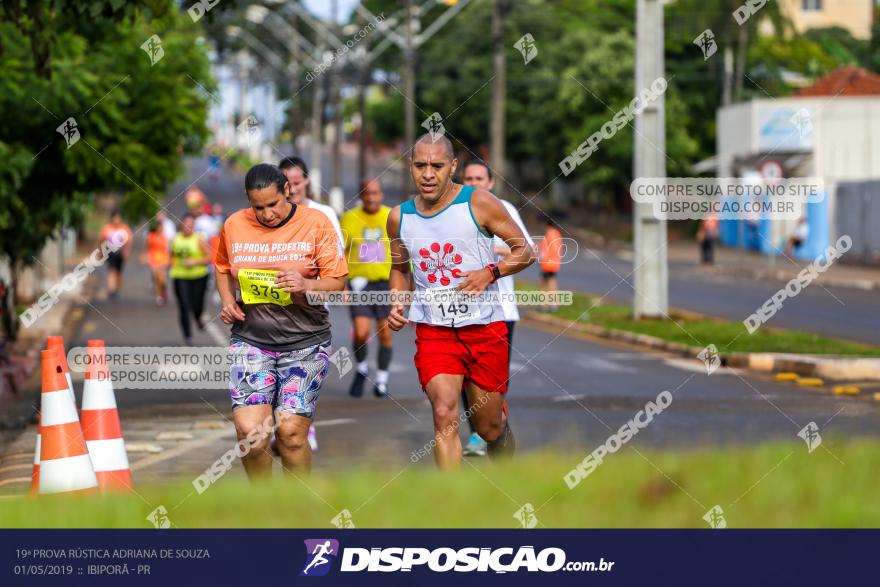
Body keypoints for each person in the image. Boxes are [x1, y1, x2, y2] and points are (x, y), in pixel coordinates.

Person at [386, 134, 534, 469]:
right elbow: (398, 269)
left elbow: (526, 250)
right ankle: (449, 510)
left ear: (452, 166)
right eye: (420, 165)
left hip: (484, 328)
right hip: (435, 331)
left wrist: (490, 273)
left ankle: (506, 467)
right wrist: (398, 304)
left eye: (436, 166)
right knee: (444, 412)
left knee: (488, 426)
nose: (428, 174)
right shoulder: (399, 217)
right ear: (410, 166)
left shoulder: (479, 203)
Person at [214, 163, 347, 476]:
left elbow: (337, 282)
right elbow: (221, 266)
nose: (266, 214)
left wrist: (307, 285)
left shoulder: (316, 223)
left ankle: (296, 511)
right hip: (252, 340)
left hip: (305, 342)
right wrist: (226, 300)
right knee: (250, 433)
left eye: (272, 204)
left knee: (290, 433)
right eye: (257, 207)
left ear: (287, 191)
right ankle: (263, 510)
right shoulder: (234, 224)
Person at [459, 160, 535, 457]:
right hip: (462, 310)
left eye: (479, 178)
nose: (474, 182)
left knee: (492, 380)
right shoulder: (455, 209)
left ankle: (494, 429)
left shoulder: (502, 208)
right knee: (464, 379)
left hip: (500, 310)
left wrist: (488, 252)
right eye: (469, 178)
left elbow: (527, 248)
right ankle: (478, 432)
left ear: (490, 182)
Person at [340, 178, 394, 398]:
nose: (371, 197)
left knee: (385, 334)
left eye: (375, 193)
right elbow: (339, 253)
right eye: (367, 193)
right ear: (361, 196)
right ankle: (362, 369)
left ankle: (382, 379)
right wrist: (342, 285)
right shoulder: (349, 218)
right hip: (359, 284)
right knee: (361, 332)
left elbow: (404, 251)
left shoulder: (392, 216)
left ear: (381, 195)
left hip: (386, 284)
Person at [278, 156, 344, 255]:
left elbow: (339, 252)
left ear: (306, 180)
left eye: (296, 183)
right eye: (287, 185)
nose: (292, 190)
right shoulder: (275, 216)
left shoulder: (326, 213)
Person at [169, 214, 212, 345]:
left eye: (191, 225)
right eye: (186, 224)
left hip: (199, 276)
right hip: (180, 276)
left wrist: (195, 261)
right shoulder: (175, 239)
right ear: (181, 225)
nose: (188, 227)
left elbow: (209, 257)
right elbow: (170, 256)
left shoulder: (199, 239)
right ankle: (188, 336)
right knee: (184, 305)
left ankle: (198, 317)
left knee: (196, 305)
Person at [99, 211, 132, 300]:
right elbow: (101, 241)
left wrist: (126, 252)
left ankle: (117, 288)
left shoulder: (124, 228)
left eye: (118, 218)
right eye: (115, 218)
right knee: (111, 271)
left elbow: (129, 241)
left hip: (120, 253)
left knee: (118, 272)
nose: (116, 220)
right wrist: (101, 252)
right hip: (110, 252)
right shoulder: (107, 228)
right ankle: (111, 289)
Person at [143, 220, 170, 306]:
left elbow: (167, 249)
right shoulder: (150, 236)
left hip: (163, 259)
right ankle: (159, 297)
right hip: (153, 260)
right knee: (156, 279)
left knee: (162, 280)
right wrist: (146, 256)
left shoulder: (164, 237)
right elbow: (148, 248)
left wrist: (168, 260)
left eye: (161, 227)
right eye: (159, 227)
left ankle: (164, 291)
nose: (160, 229)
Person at [538, 215, 563, 311]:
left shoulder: (551, 234)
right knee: (549, 282)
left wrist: (543, 258)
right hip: (552, 263)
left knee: (546, 283)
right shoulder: (555, 233)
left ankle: (547, 304)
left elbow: (551, 249)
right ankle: (549, 304)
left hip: (548, 264)